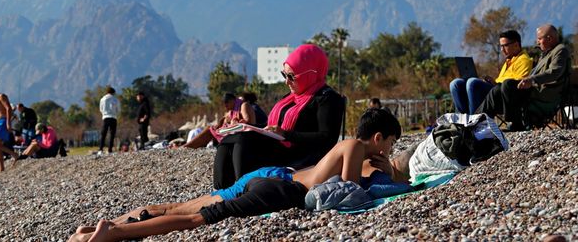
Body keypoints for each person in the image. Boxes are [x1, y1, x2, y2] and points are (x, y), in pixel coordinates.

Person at [67, 108, 400, 242]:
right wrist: (389, 174)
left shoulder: (361, 153)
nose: (388, 150)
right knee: (196, 220)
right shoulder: (355, 146)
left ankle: (111, 224)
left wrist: (385, 168)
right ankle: (112, 234)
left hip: (268, 175)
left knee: (180, 207)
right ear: (377, 138)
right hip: (279, 191)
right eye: (390, 143)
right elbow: (349, 193)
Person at [213, 44, 344, 189]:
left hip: (299, 154)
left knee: (243, 141)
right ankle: (221, 189)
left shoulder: (327, 99)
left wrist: (286, 134)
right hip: (280, 146)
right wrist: (245, 126)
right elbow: (272, 127)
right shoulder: (291, 97)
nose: (286, 81)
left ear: (311, 73)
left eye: (292, 76)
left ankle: (241, 188)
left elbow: (327, 138)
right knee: (231, 138)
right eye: (284, 75)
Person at [476, 24, 571, 131]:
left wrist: (531, 80)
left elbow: (555, 72)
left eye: (539, 39)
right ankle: (478, 122)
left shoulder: (560, 50)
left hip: (543, 93)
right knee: (497, 90)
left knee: (507, 84)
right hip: (533, 91)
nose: (537, 42)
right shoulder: (545, 53)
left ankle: (514, 123)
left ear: (549, 38)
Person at [450, 30, 532, 114]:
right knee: (456, 83)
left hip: (504, 97)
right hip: (495, 90)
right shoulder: (508, 61)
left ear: (516, 45)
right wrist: (492, 82)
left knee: (473, 83)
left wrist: (496, 84)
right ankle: (463, 120)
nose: (502, 50)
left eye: (505, 46)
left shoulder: (524, 60)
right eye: (501, 46)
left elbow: (517, 85)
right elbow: (501, 80)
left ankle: (475, 121)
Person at [183, 93, 255, 149]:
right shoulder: (233, 110)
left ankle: (187, 147)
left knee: (209, 131)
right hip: (236, 132)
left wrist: (236, 122)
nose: (226, 107)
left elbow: (248, 122)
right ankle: (187, 147)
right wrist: (221, 123)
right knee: (211, 129)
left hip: (247, 135)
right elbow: (224, 119)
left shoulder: (244, 105)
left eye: (226, 105)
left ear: (232, 101)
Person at [99, 87, 120, 154]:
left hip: (105, 117)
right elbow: (118, 109)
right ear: (113, 92)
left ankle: (100, 150)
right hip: (113, 117)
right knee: (112, 134)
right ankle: (110, 150)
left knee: (103, 134)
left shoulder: (103, 99)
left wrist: (104, 114)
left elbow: (101, 109)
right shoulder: (116, 99)